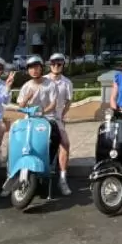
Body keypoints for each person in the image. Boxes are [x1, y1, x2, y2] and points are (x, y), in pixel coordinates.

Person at [16, 56, 69, 195]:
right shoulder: (26, 86)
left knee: (56, 136)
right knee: (17, 138)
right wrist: (27, 99)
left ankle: (49, 161)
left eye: (37, 67)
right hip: (29, 118)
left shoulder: (50, 84)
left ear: (41, 68)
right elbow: (20, 105)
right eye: (31, 68)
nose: (34, 70)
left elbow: (53, 104)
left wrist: (42, 112)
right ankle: (13, 173)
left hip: (47, 118)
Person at [46, 53, 73, 186]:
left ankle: (63, 177)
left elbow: (68, 101)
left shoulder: (67, 83)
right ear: (49, 64)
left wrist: (62, 114)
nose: (56, 66)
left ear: (63, 65)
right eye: (53, 64)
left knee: (65, 143)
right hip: (41, 117)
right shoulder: (43, 80)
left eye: (59, 64)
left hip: (56, 119)